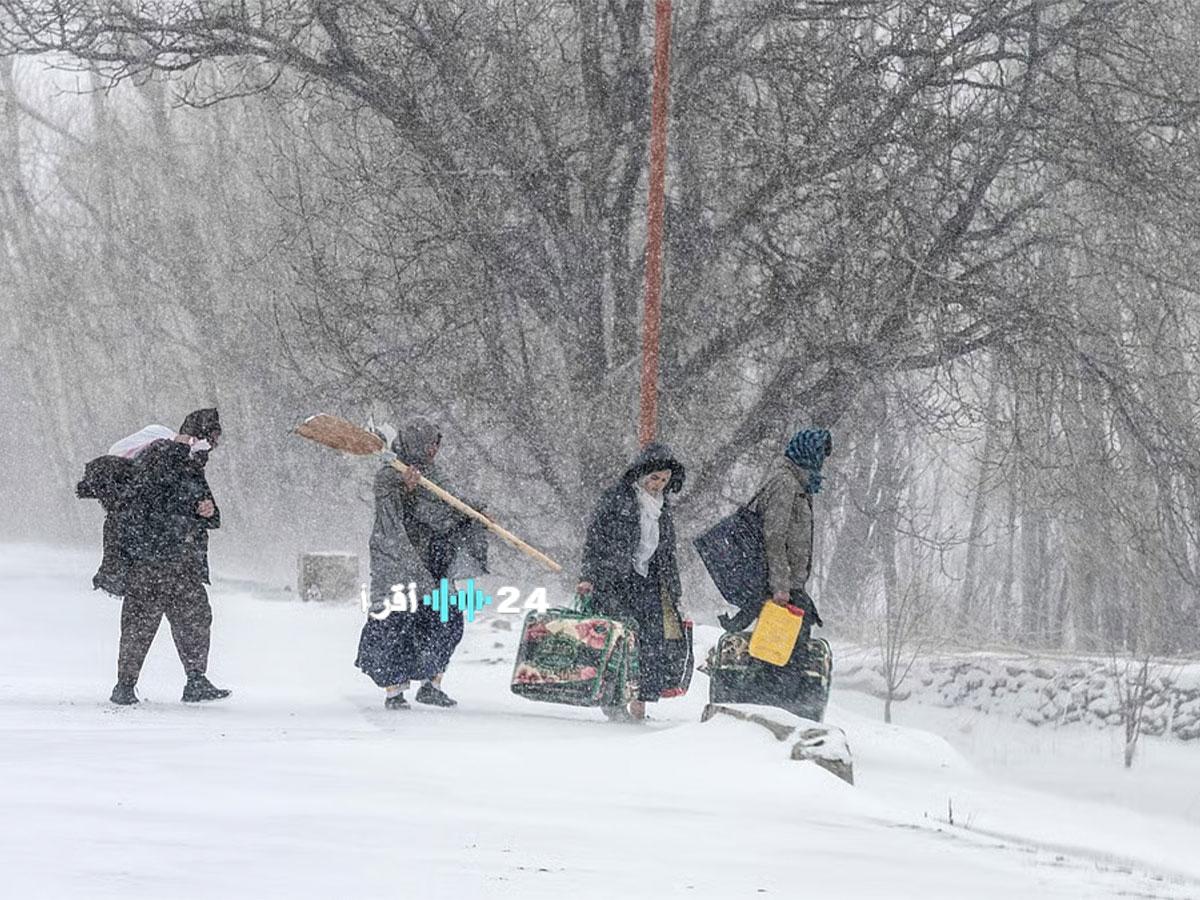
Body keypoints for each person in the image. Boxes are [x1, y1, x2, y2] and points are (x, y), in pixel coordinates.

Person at [355, 417, 488, 710]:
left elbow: (448, 508)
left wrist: (475, 513)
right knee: (396, 625)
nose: (433, 451)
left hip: (434, 560)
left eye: (436, 445)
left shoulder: (435, 475)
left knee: (447, 620)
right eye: (429, 445)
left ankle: (432, 684)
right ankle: (395, 692)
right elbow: (392, 515)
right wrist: (406, 490)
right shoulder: (389, 475)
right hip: (399, 562)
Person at [109, 408, 230, 705]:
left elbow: (207, 509)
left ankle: (191, 680)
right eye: (209, 441)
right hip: (155, 560)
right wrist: (193, 513)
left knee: (187, 620)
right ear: (195, 436)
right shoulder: (159, 457)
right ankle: (128, 685)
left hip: (177, 562)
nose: (210, 449)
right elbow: (154, 505)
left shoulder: (188, 465)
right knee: (147, 623)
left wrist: (208, 512)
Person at [577, 443, 686, 721]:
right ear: (642, 475)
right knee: (621, 640)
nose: (658, 485)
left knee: (651, 642)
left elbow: (667, 550)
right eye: (654, 478)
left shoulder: (663, 509)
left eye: (664, 480)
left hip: (649, 580)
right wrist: (588, 576)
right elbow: (596, 539)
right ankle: (614, 700)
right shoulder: (618, 499)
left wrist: (674, 589)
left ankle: (641, 704)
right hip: (616, 578)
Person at [755, 427, 832, 639]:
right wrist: (780, 586)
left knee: (788, 652)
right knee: (782, 655)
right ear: (807, 453)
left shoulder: (800, 484)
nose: (821, 462)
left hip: (792, 586)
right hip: (781, 590)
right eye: (818, 455)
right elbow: (774, 536)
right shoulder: (785, 483)